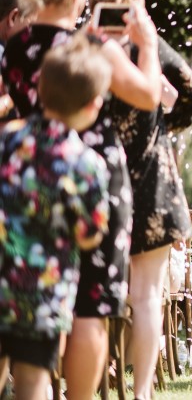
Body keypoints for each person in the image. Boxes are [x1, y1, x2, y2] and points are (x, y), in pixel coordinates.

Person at [2, 0, 162, 399]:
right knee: (91, 303)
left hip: (30, 172)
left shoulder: (16, 43)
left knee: (29, 291)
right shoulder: (89, 49)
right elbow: (148, 96)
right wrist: (146, 45)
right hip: (89, 176)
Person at [89, 0, 192, 398]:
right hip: (151, 180)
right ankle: (142, 393)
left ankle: (97, 379)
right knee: (148, 294)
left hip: (96, 175)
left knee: (95, 289)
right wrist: (158, 130)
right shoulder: (148, 46)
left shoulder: (85, 47)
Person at [0, 38, 111, 400]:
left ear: (40, 89)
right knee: (33, 383)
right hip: (43, 296)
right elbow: (90, 234)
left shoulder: (7, 140)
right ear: (94, 104)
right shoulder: (85, 163)